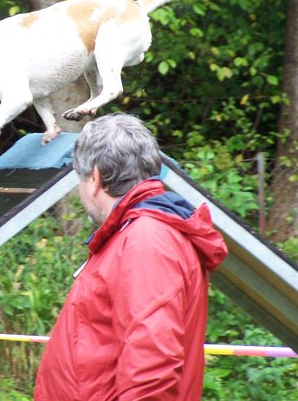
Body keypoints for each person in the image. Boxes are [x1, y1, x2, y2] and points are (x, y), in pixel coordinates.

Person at [34, 114, 228, 401]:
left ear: (95, 178)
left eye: (81, 178)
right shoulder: (134, 233)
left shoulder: (147, 241)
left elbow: (151, 373)